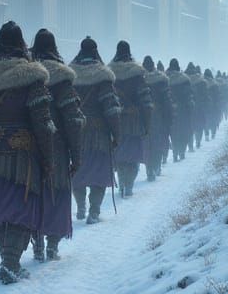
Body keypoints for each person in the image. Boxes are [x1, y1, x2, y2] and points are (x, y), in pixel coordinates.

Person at [0, 22, 55, 284]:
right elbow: (43, 123)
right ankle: (10, 262)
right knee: (20, 207)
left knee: (0, 207)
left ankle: (8, 259)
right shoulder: (32, 78)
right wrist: (49, 159)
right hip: (23, 157)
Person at [30, 28, 84, 261]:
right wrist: (77, 155)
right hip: (58, 147)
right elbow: (73, 121)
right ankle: (52, 243)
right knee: (57, 194)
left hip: (29, 148)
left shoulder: (26, 75)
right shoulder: (63, 80)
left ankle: (37, 243)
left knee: (34, 195)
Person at [69, 37, 122, 224]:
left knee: (78, 170)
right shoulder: (103, 77)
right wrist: (116, 134)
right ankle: (94, 211)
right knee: (99, 172)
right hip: (99, 134)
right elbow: (112, 109)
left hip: (77, 133)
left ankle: (81, 206)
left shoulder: (70, 76)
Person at [108, 41, 153, 198]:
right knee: (133, 155)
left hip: (116, 120)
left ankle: (122, 182)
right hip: (134, 121)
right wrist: (147, 125)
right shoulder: (137, 74)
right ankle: (129, 186)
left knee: (120, 155)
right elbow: (146, 102)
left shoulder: (109, 73)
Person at [141, 56, 172, 182]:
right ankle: (156, 166)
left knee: (147, 143)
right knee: (157, 142)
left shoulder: (139, 79)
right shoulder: (161, 80)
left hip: (144, 117)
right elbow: (167, 101)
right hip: (158, 116)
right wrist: (169, 117)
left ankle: (149, 169)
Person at [166, 59, 193, 162]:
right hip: (183, 110)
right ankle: (181, 150)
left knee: (173, 132)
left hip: (171, 109)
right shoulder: (184, 79)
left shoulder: (165, 79)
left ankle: (175, 151)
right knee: (184, 131)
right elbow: (189, 95)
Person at [186, 62, 209, 150]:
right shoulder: (201, 80)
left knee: (189, 126)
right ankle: (198, 141)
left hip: (188, 107)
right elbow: (205, 94)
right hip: (199, 106)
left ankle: (190, 145)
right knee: (199, 124)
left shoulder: (183, 80)